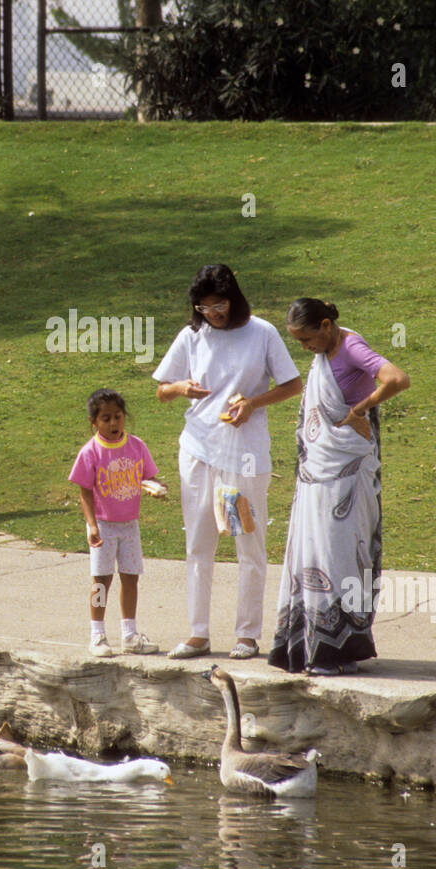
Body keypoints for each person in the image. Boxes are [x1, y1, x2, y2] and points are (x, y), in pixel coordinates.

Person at [152, 264, 302, 659]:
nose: (213, 314)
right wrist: (180, 388)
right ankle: (198, 632)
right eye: (204, 308)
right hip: (199, 451)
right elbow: (162, 391)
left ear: (233, 298)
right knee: (198, 541)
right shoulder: (192, 335)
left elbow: (292, 384)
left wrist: (253, 403)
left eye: (219, 305)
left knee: (246, 539)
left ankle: (248, 634)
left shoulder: (262, 332)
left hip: (244, 456)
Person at [268, 298, 410, 676]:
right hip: (318, 471)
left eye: (307, 338)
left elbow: (397, 378)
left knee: (340, 553)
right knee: (312, 550)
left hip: (347, 470)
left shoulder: (351, 347)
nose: (304, 348)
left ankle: (336, 647)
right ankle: (312, 645)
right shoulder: (325, 354)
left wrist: (362, 408)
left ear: (326, 325)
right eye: (298, 341)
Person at [68, 388, 161, 658]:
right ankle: (97, 635)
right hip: (103, 526)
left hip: (129, 525)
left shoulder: (136, 446)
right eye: (106, 418)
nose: (113, 423)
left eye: (118, 417)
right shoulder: (91, 452)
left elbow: (148, 478)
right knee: (101, 582)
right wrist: (91, 525)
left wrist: (156, 487)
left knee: (131, 578)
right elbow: (85, 491)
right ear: (94, 422)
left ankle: (130, 634)